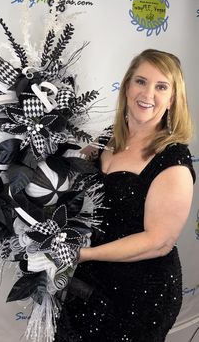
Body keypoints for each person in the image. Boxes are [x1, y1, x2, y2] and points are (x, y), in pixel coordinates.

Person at [54, 49, 196, 342]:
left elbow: (158, 242)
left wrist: (82, 255)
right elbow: (66, 180)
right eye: (141, 81)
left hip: (139, 295)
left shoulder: (173, 161)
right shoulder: (107, 138)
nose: (148, 93)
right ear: (127, 86)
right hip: (88, 282)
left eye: (161, 86)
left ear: (172, 99)